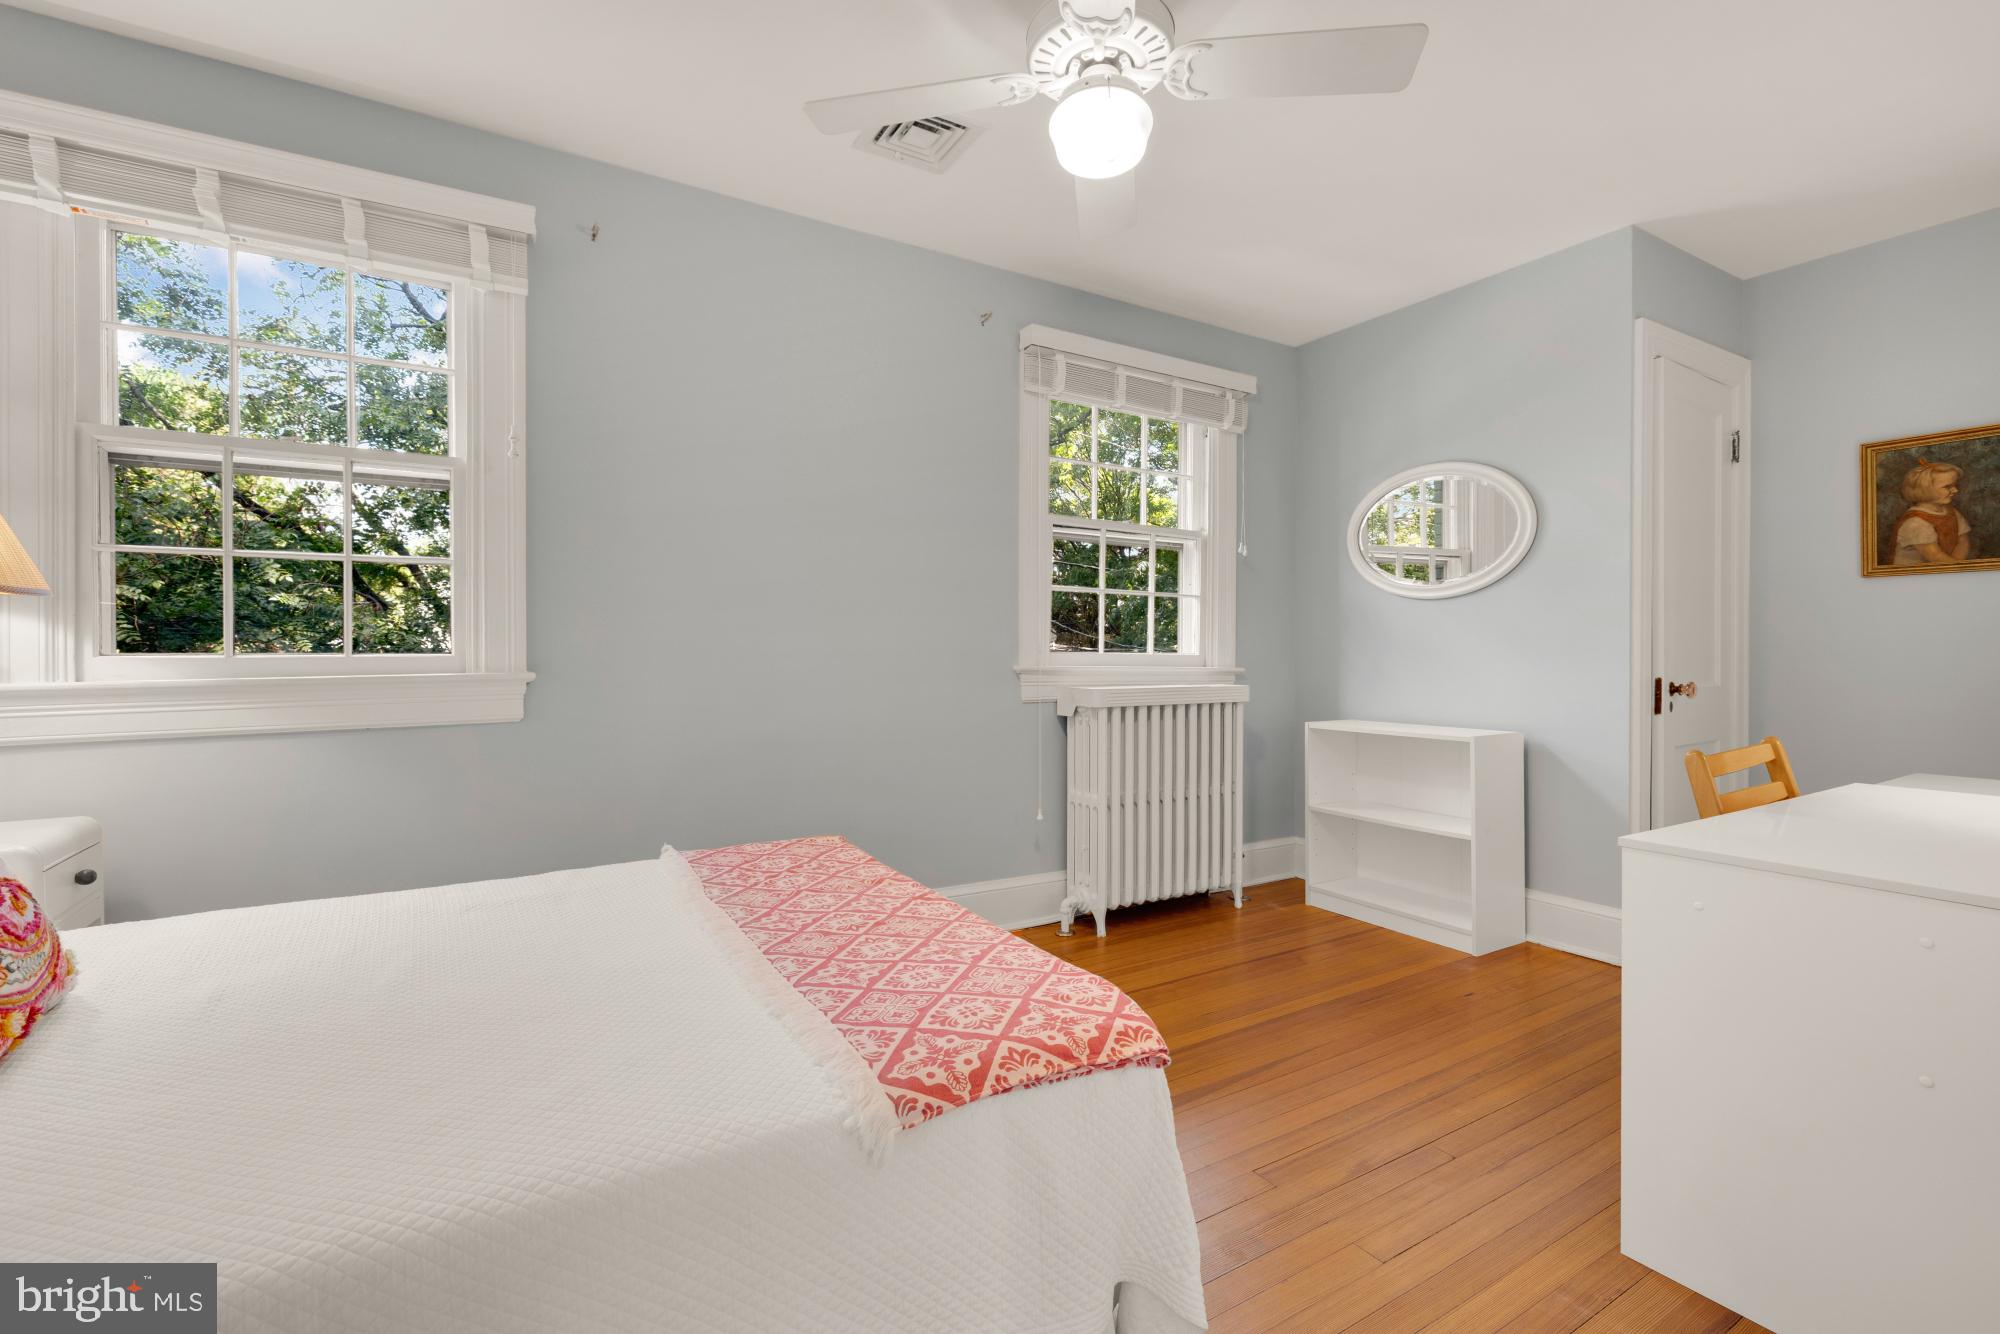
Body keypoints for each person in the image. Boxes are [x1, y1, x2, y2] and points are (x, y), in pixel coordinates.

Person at [1888, 459, 1971, 565]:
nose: (1955, 490)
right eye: (1947, 486)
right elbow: (1935, 556)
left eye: (1955, 485)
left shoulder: (1952, 512)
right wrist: (1958, 568)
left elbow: (1963, 542)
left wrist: (1958, 564)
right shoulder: (1915, 522)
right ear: (1926, 490)